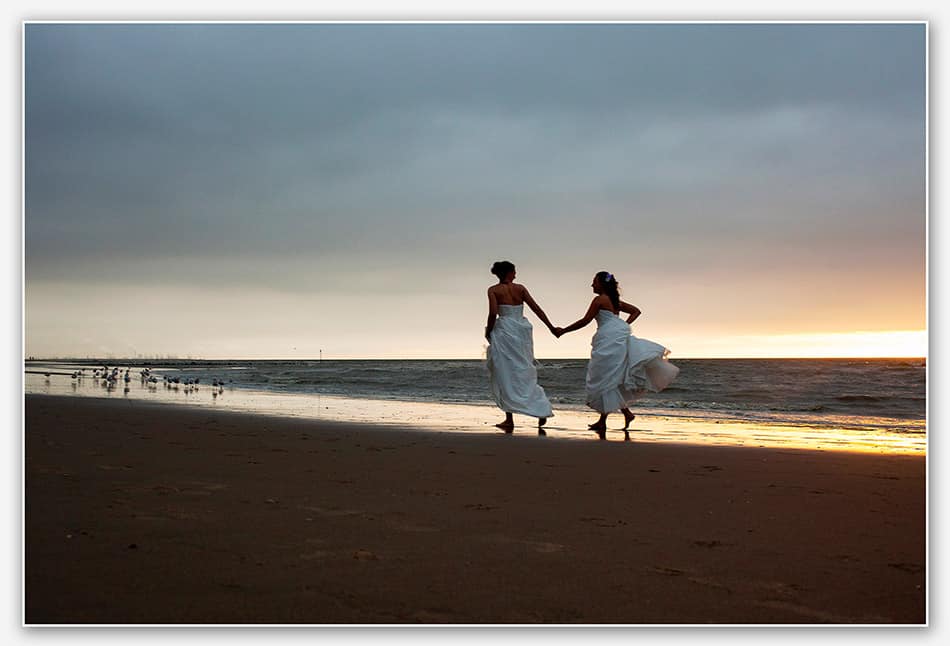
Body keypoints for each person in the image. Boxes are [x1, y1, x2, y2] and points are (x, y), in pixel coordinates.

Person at [554, 271, 679, 440]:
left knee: (606, 377)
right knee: (610, 377)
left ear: (602, 284)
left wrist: (564, 330)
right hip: (614, 338)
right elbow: (636, 311)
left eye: (594, 282)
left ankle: (612, 418)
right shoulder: (614, 301)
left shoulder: (599, 300)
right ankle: (620, 415)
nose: (592, 285)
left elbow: (585, 320)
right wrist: (621, 325)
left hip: (608, 339)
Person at [485, 261, 556, 434]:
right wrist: (551, 327)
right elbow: (537, 309)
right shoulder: (520, 289)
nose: (516, 274)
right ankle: (539, 408)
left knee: (505, 372)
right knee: (524, 369)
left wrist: (489, 331)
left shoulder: (493, 290)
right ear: (509, 272)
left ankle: (509, 419)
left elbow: (493, 313)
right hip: (521, 330)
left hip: (505, 331)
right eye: (514, 271)